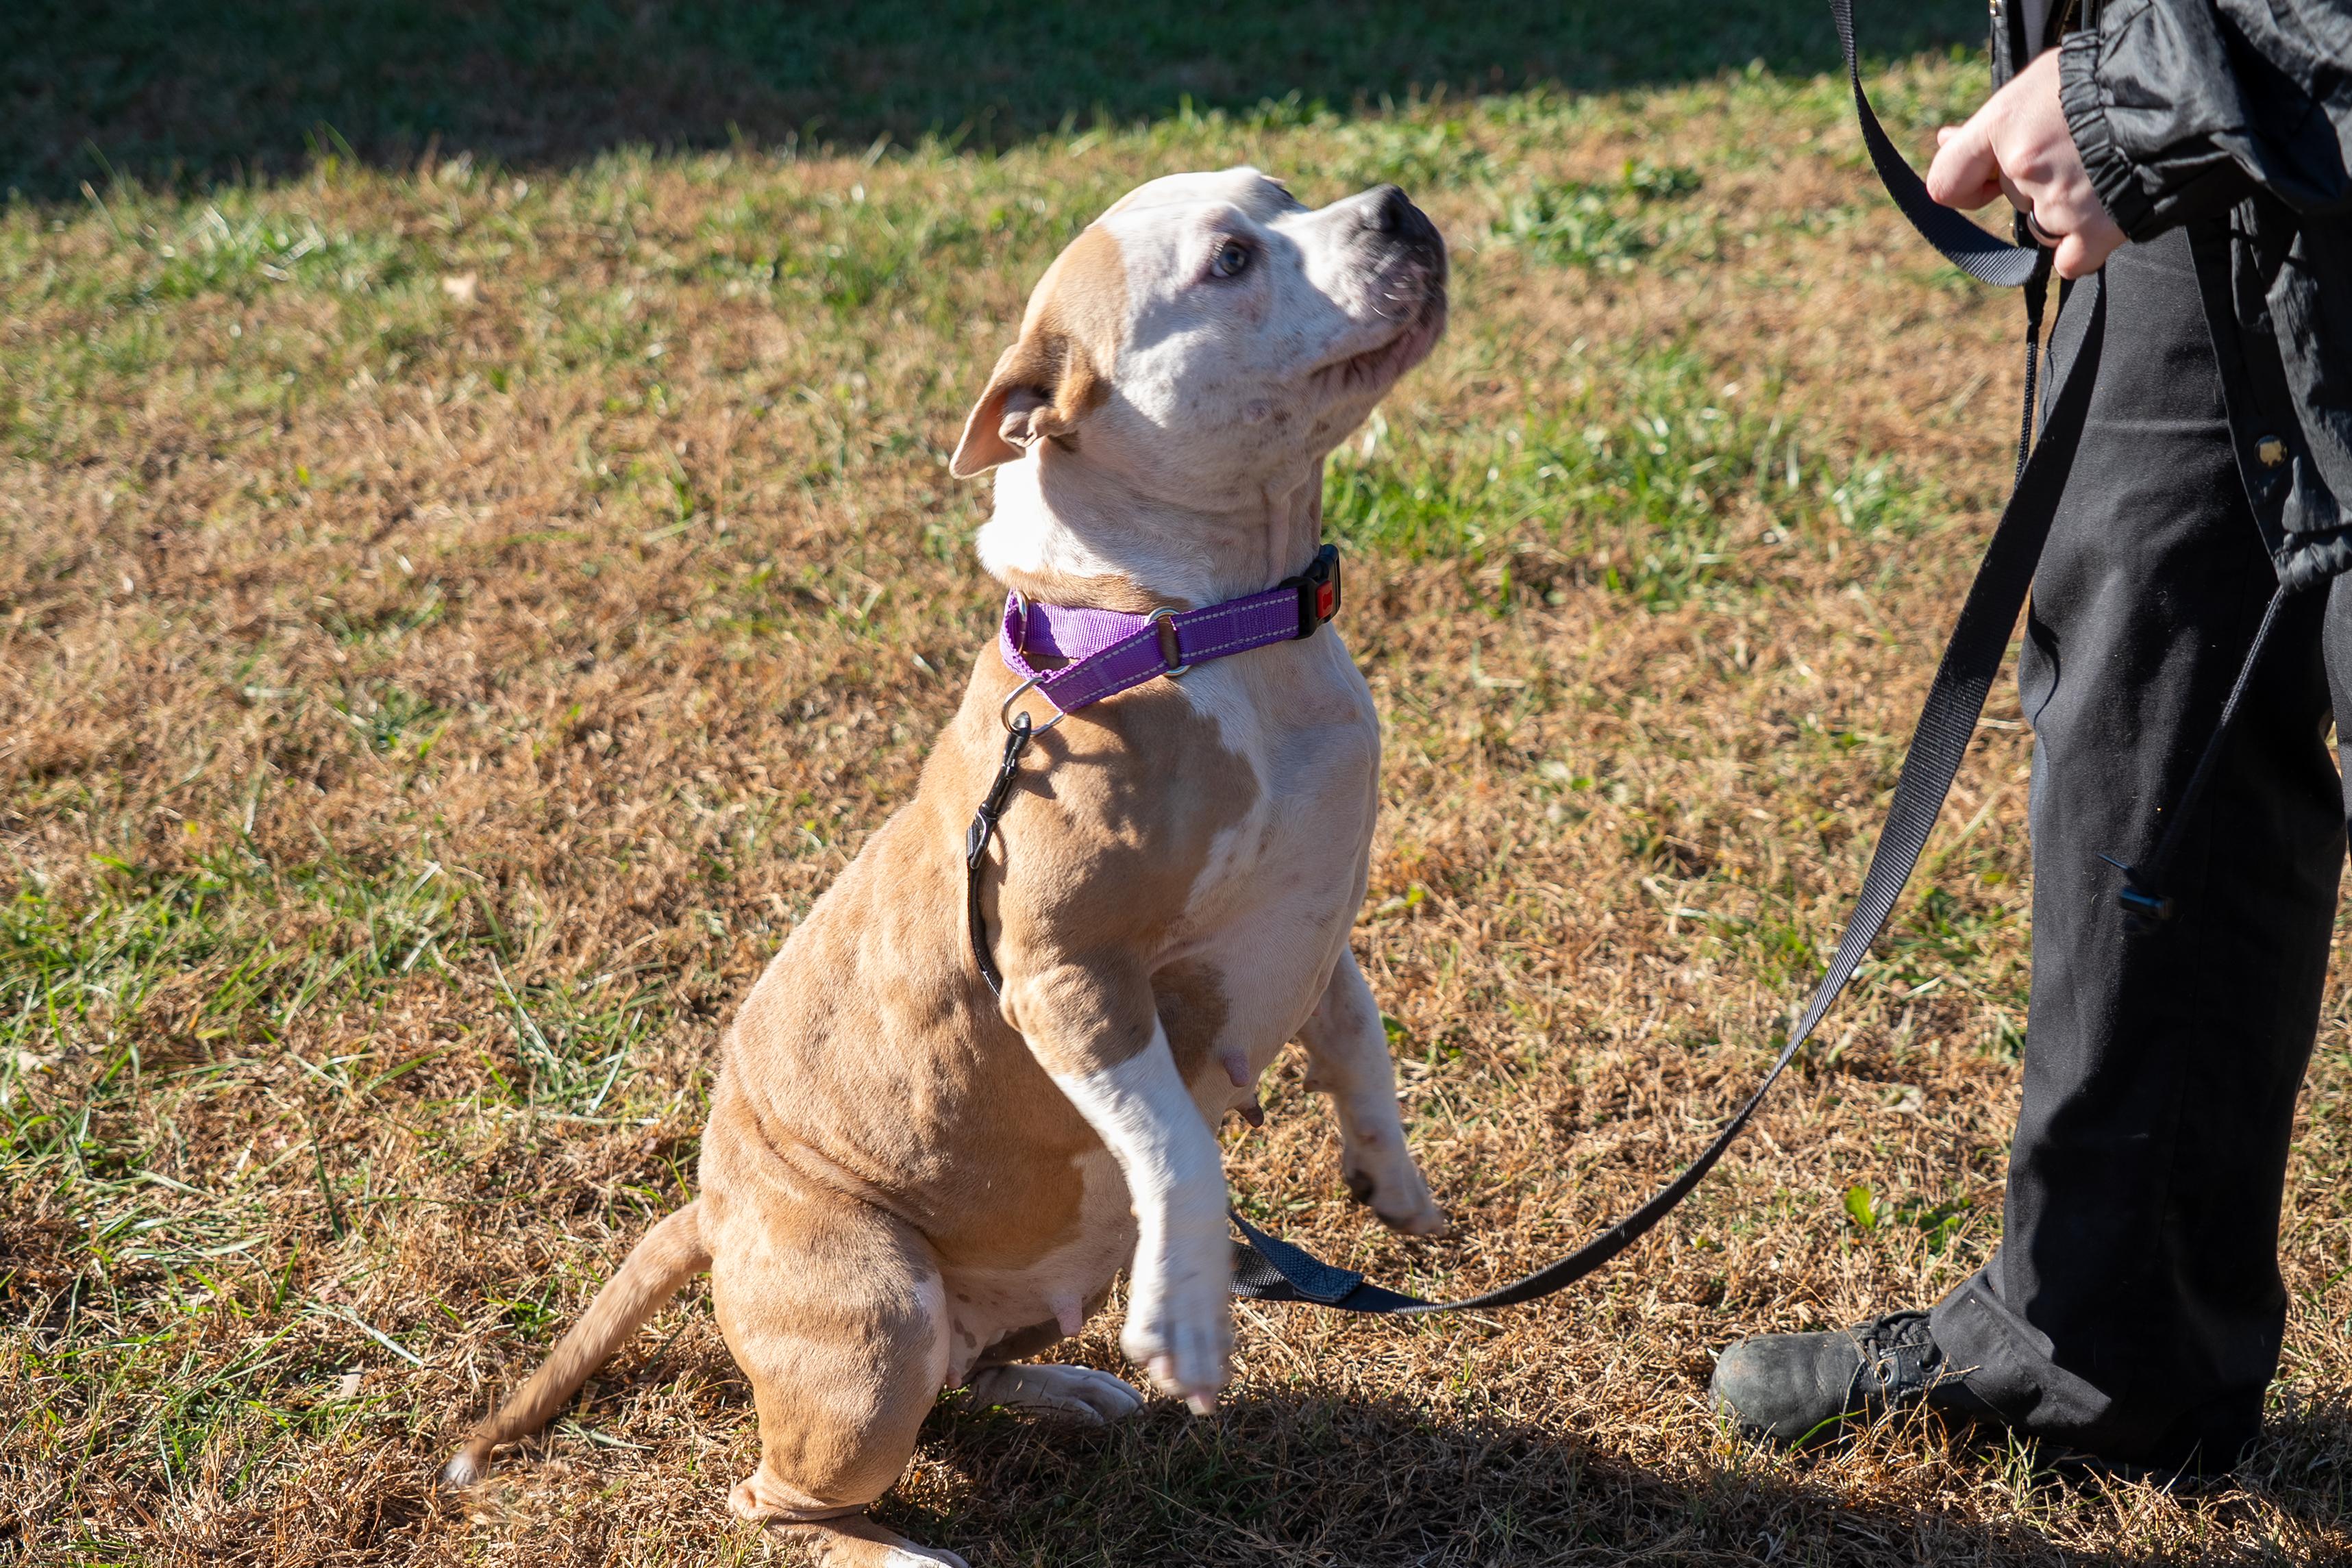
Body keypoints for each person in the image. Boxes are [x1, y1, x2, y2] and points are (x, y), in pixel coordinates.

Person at [1707, 0, 2352, 1475]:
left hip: (2220, 79)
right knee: (2148, 704)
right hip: (2216, 159)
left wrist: (2140, 91)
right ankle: (2105, 1352)